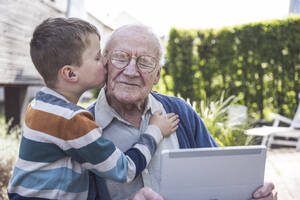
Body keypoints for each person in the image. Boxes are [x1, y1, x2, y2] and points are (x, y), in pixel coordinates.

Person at [88, 24, 278, 200]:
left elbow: (220, 181)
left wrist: (255, 195)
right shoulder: (81, 128)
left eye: (145, 62)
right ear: (105, 62)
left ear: (158, 75)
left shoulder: (180, 112)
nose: (130, 71)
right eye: (120, 57)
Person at [7, 18, 179, 200]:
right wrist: (155, 131)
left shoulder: (39, 106)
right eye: (98, 57)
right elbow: (125, 169)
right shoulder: (72, 122)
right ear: (71, 74)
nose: (105, 62)